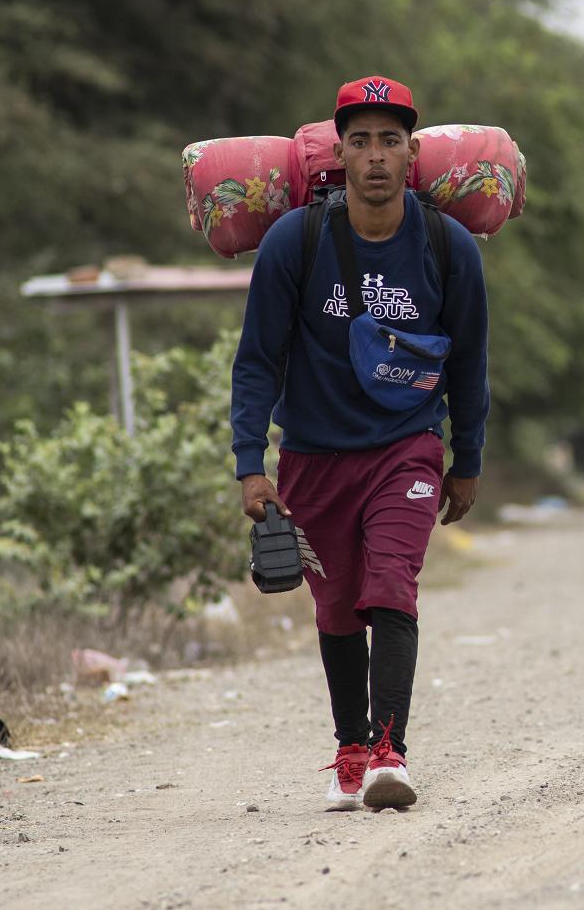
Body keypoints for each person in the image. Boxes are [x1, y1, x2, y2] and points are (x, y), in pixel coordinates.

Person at [230, 76, 489, 812]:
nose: (376, 155)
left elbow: (470, 364)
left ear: (413, 153)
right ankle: (350, 747)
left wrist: (464, 459)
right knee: (339, 607)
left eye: (390, 140)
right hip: (312, 455)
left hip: (406, 447)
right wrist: (251, 464)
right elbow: (256, 360)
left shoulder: (448, 247)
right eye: (361, 140)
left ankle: (388, 751)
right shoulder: (296, 241)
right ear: (339, 154)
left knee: (390, 587)